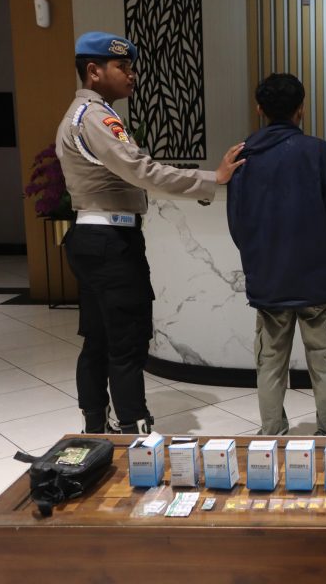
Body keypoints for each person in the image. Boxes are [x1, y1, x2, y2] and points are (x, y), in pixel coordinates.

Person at [57, 32, 245, 435]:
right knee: (127, 341)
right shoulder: (96, 116)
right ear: (93, 71)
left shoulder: (78, 114)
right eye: (122, 67)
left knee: (98, 339)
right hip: (111, 242)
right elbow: (142, 171)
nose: (132, 75)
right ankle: (132, 433)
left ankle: (96, 427)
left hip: (91, 238)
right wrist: (212, 179)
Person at [226, 73, 326, 436]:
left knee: (270, 362)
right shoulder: (319, 152)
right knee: (324, 362)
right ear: (301, 109)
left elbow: (237, 223)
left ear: (259, 109)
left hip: (269, 280)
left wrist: (258, 258)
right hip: (318, 279)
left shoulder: (242, 156)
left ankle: (272, 434)